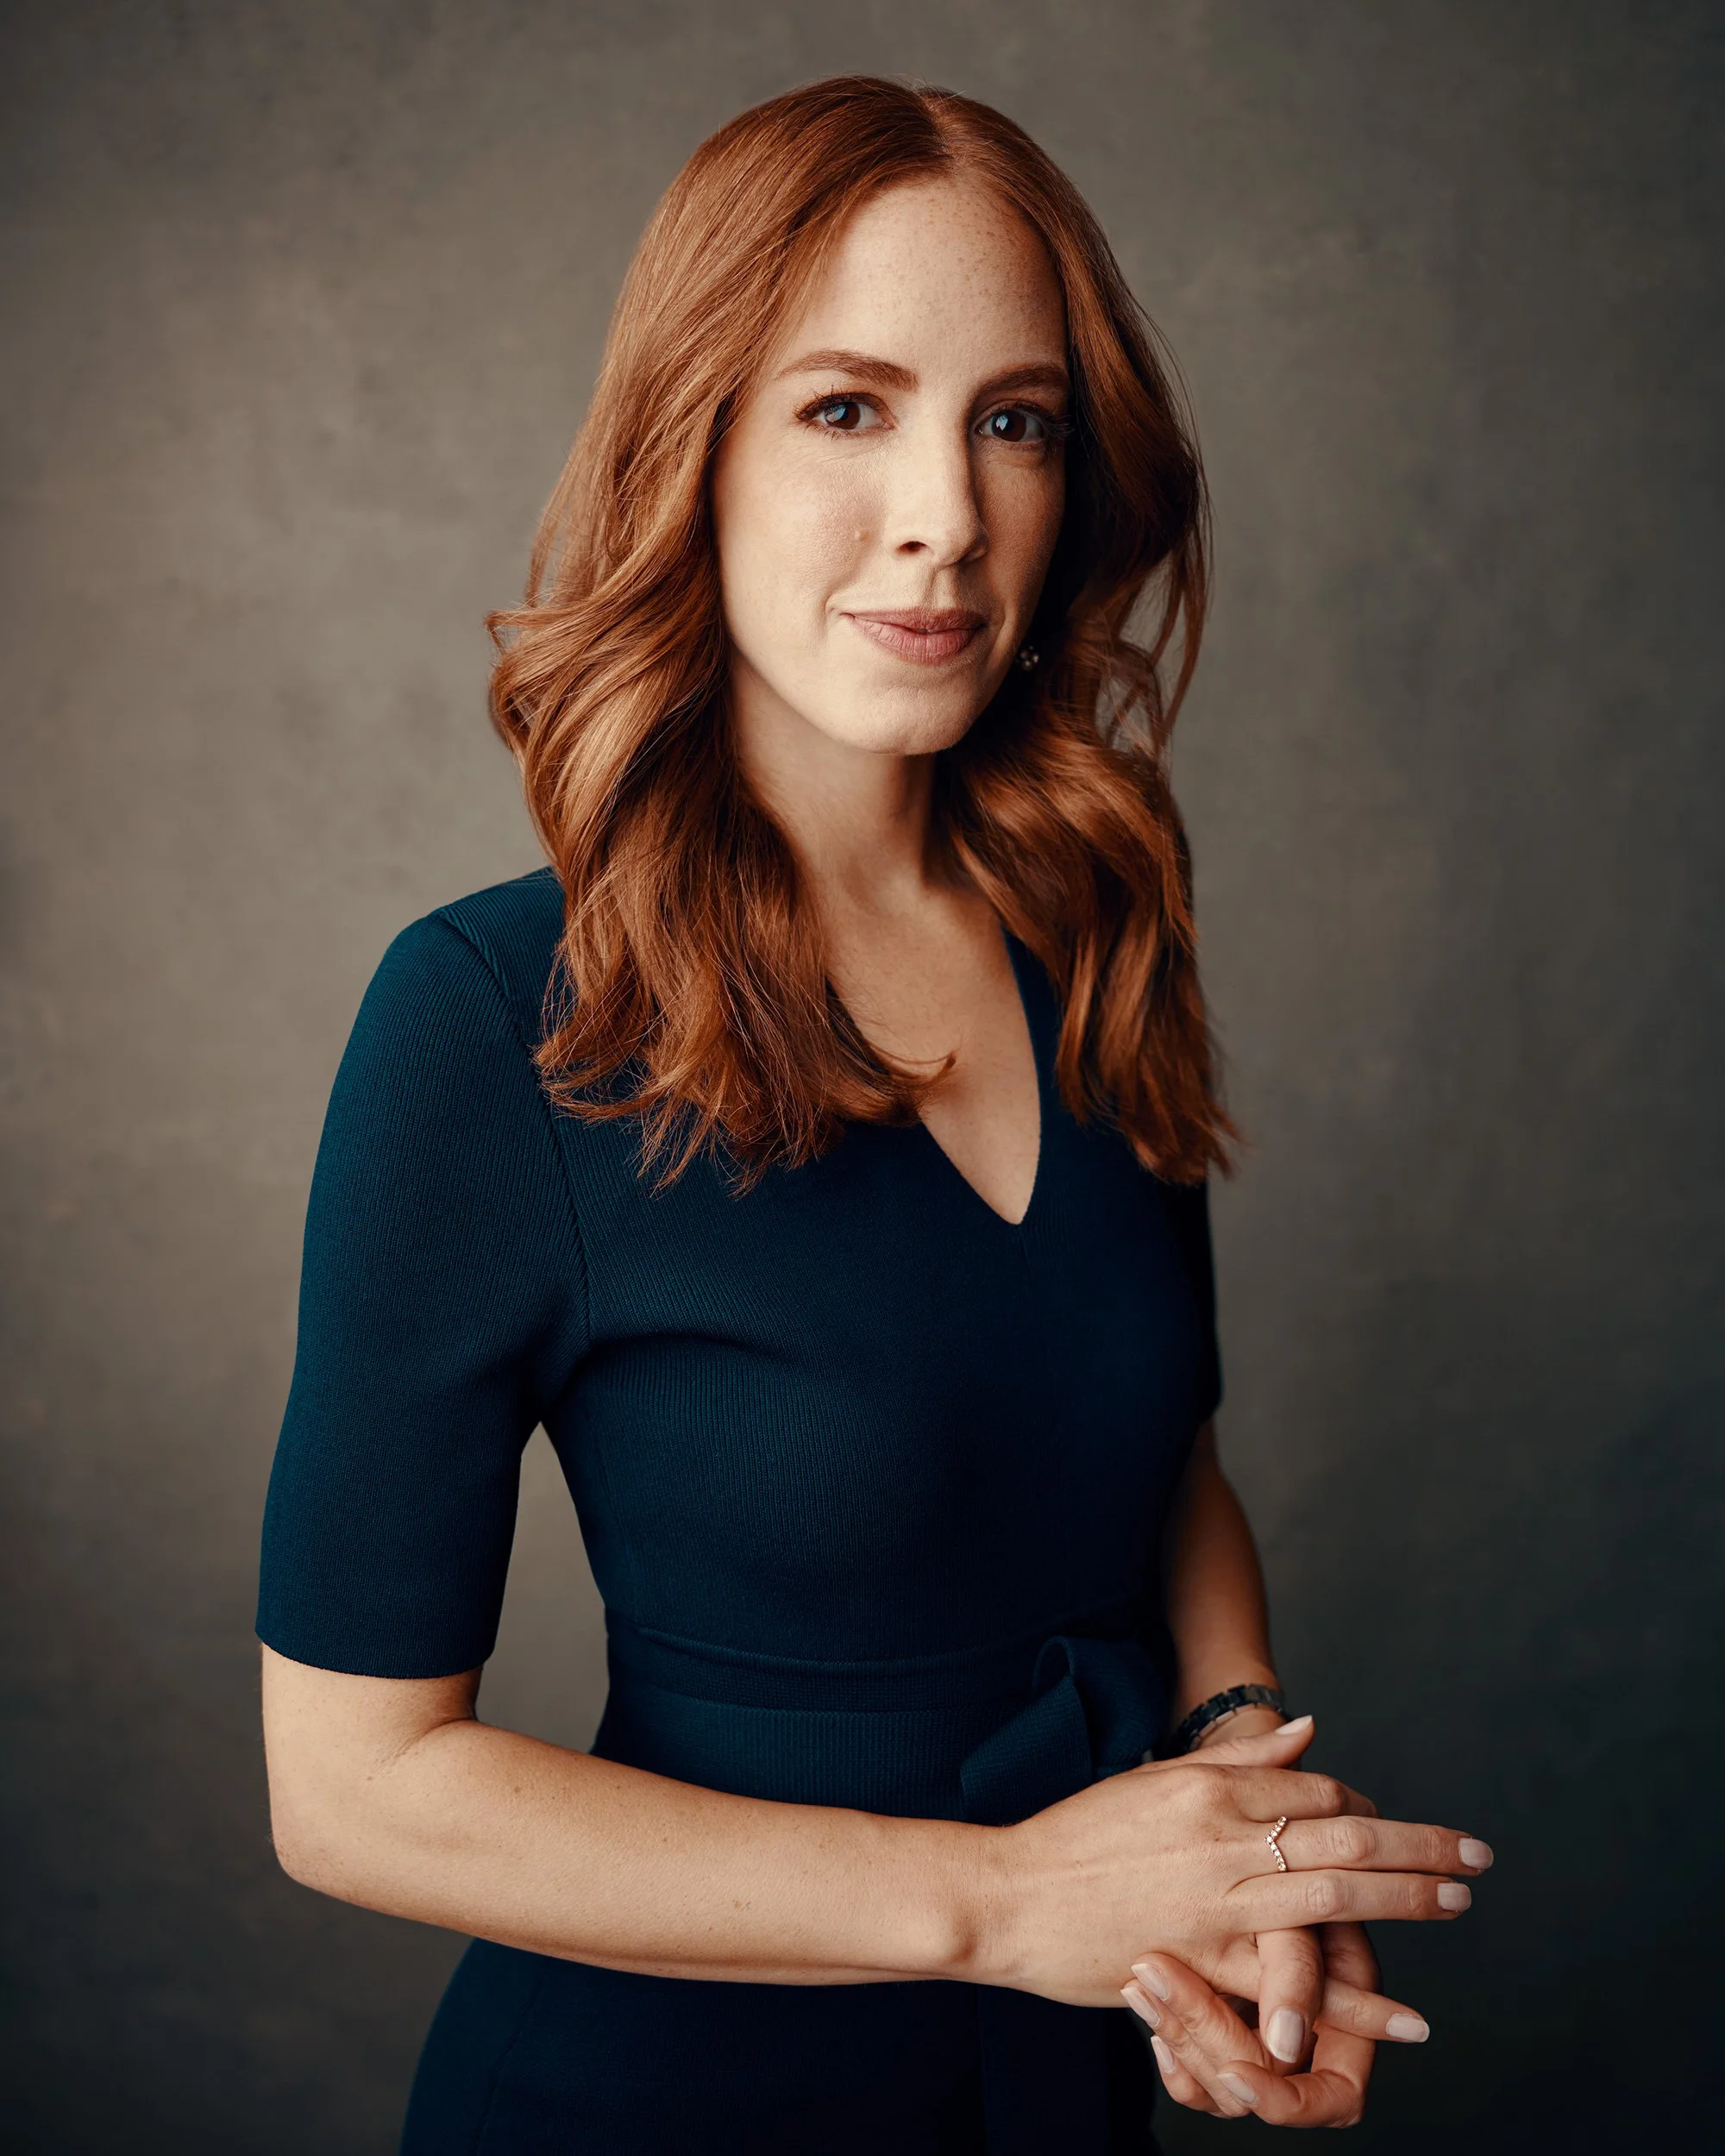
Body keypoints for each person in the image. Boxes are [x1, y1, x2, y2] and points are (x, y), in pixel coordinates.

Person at [255, 75, 1490, 2154]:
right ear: (697, 444)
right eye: (845, 407)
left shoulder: (1093, 915)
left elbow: (1151, 1449)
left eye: (1013, 420)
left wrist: (1236, 1849)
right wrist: (1009, 1901)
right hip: (659, 2101)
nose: (945, 511)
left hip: (1055, 2092)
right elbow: (351, 1789)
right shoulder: (485, 1022)